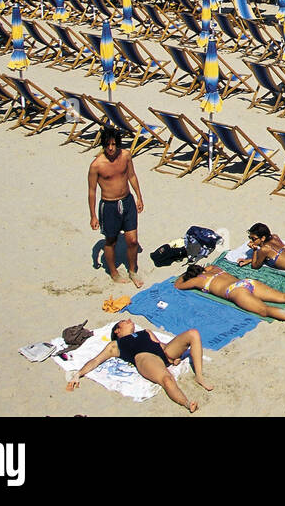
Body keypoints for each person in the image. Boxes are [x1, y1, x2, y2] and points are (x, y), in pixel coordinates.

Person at [67, 319, 211, 412]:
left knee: (193, 333)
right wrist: (78, 374)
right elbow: (96, 360)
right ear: (117, 330)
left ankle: (199, 376)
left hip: (162, 352)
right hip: (145, 358)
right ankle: (187, 403)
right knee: (167, 379)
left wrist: (173, 357)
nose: (129, 320)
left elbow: (160, 344)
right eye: (124, 321)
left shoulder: (145, 332)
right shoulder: (115, 345)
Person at [175, 264, 285, 332]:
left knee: (264, 309)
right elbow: (208, 267)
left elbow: (178, 285)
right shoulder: (214, 268)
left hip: (234, 291)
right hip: (247, 282)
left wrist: (184, 275)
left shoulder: (197, 280)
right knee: (283, 297)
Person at [88, 127, 144, 288]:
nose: (111, 148)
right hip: (109, 205)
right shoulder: (96, 165)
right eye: (107, 145)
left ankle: (133, 271)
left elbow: (131, 175)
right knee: (111, 241)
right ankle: (113, 272)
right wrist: (93, 215)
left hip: (127, 201)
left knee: (132, 240)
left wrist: (139, 196)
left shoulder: (125, 156)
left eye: (113, 144)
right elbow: (92, 191)